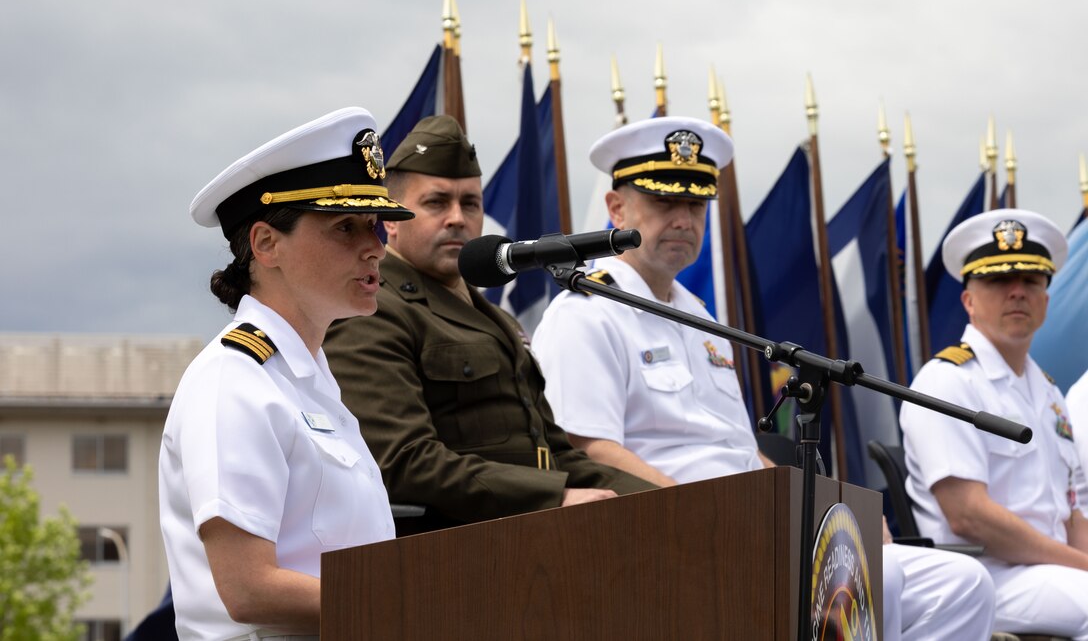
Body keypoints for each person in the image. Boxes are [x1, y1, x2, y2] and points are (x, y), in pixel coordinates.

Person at [532, 116, 996, 641]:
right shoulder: (585, 315)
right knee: (864, 578)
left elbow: (740, 450)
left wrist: (829, 508)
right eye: (665, 202)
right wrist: (719, 514)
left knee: (962, 584)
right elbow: (590, 451)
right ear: (616, 208)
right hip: (668, 535)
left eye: (696, 204)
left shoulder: (701, 318)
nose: (684, 219)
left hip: (748, 526)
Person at [322, 115, 655, 529]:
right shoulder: (373, 310)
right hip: (461, 545)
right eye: (436, 202)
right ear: (391, 219)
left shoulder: (494, 317)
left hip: (532, 532)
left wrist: (661, 500)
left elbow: (557, 454)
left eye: (471, 204)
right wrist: (554, 497)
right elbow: (403, 461)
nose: (457, 218)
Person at [159, 107, 414, 640]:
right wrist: (411, 604)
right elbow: (249, 588)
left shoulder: (307, 382)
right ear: (266, 244)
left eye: (375, 225)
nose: (375, 246)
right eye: (345, 226)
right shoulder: (234, 382)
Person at [900, 208, 1088, 639]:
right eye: (1000, 280)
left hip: (1051, 571)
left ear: (1046, 298)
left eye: (1031, 281)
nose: (1017, 292)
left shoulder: (1049, 393)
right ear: (968, 299)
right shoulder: (946, 381)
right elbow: (969, 516)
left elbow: (1072, 513)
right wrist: (1080, 565)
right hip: (981, 577)